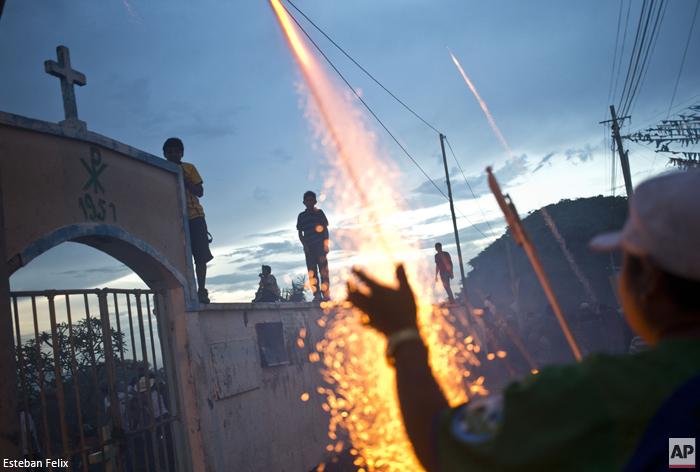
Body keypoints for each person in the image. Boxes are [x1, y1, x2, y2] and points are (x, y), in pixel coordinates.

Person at [347, 170, 700, 471]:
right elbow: (682, 457)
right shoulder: (673, 409)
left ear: (649, 282)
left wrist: (403, 334)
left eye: (625, 263)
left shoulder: (603, 392)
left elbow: (440, 440)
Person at [163, 137, 213, 303]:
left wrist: (183, 178)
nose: (173, 154)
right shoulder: (162, 170)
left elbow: (200, 192)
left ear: (182, 153)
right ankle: (184, 291)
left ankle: (202, 290)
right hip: (175, 219)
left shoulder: (189, 168)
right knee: (180, 257)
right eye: (169, 152)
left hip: (195, 216)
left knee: (200, 256)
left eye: (176, 151)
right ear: (165, 154)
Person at [297, 190, 330, 301]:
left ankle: (326, 294)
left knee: (324, 272)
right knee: (312, 273)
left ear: (315, 201)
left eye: (311, 200)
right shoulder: (301, 216)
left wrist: (326, 244)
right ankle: (317, 295)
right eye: (307, 200)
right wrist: (305, 245)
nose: (309, 202)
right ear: (304, 202)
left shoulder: (319, 213)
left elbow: (325, 230)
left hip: (320, 247)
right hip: (309, 249)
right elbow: (300, 233)